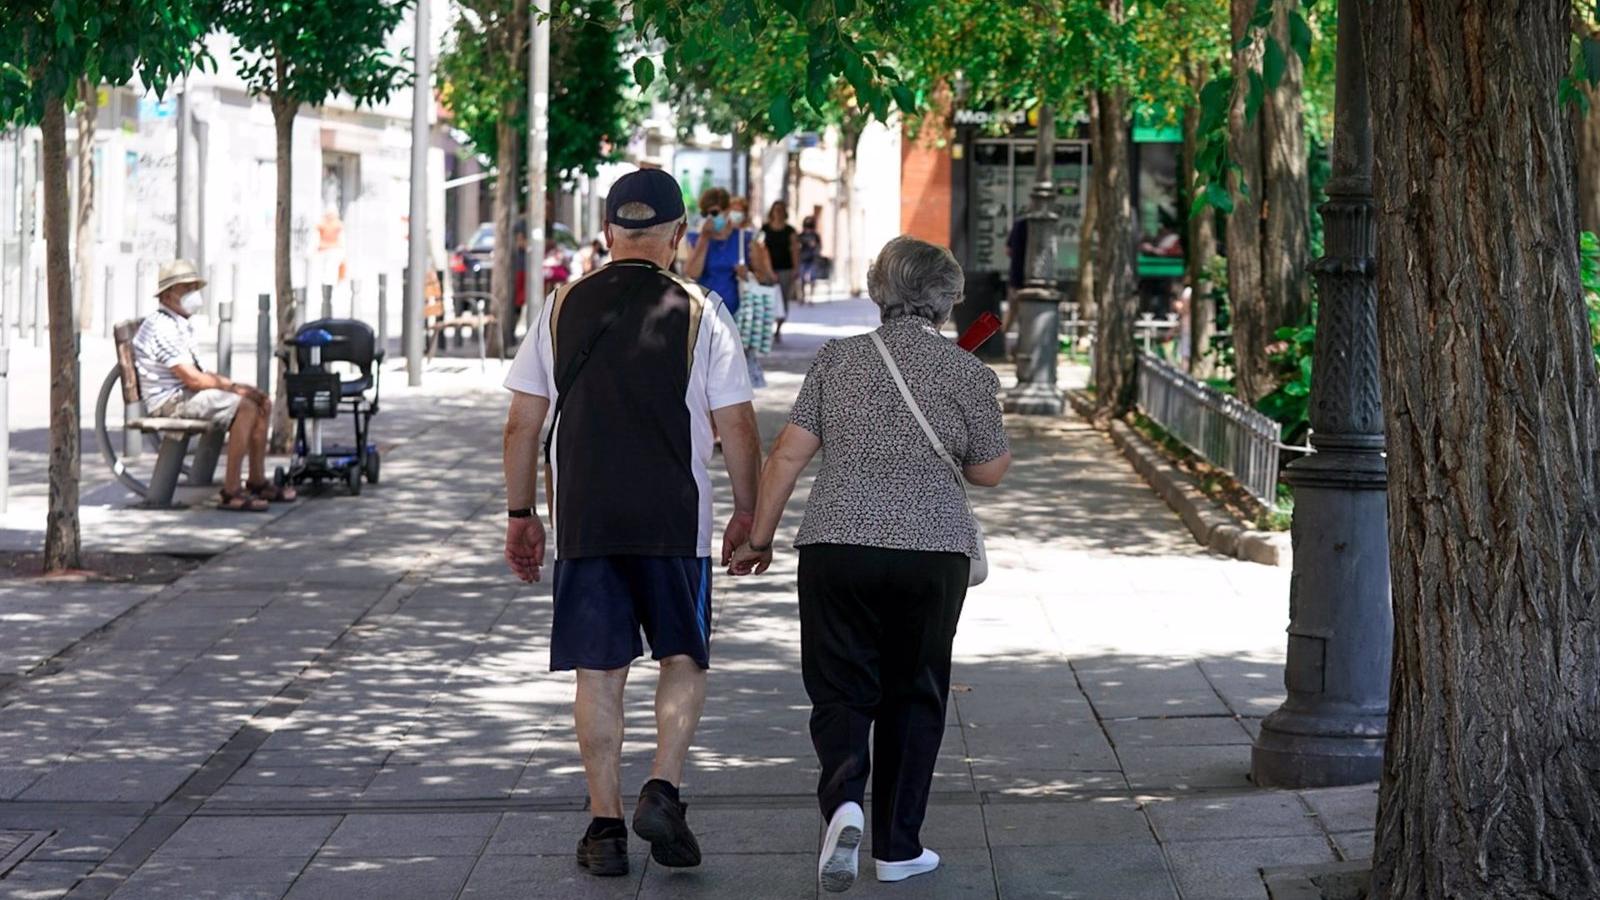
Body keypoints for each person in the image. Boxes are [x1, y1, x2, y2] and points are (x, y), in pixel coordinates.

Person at [502, 168, 763, 879]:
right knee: (683, 655)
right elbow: (736, 425)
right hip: (674, 518)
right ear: (679, 236)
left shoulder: (560, 307)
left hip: (586, 518)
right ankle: (664, 787)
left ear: (609, 233)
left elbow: (522, 426)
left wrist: (522, 514)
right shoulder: (702, 309)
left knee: (600, 670)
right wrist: (750, 514)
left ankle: (606, 826)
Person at [731, 235, 1011, 892]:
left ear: (877, 291)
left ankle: (845, 803)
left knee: (838, 688)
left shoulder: (837, 360)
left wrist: (759, 537)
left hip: (836, 544)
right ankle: (898, 847)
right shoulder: (967, 372)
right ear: (945, 299)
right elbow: (989, 471)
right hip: (931, 553)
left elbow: (787, 458)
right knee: (915, 692)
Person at [132, 260, 296, 512]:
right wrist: (236, 389)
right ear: (167, 295)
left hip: (184, 394)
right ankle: (231, 490)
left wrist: (235, 386)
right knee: (245, 407)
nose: (193, 294)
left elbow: (198, 374)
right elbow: (192, 379)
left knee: (261, 401)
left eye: (194, 287)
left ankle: (256, 479)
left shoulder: (179, 324)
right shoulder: (162, 326)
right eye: (186, 288)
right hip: (171, 402)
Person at [686, 192, 774, 388]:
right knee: (706, 375)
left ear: (726, 210)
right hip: (705, 314)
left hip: (737, 315)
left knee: (731, 376)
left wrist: (746, 274)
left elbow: (765, 276)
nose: (710, 217)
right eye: (705, 213)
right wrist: (704, 238)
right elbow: (692, 272)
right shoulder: (696, 238)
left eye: (715, 212)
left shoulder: (745, 238)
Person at [762, 201, 801, 343]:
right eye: (775, 210)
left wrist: (796, 269)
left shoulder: (790, 231)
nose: (777, 212)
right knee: (767, 299)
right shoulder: (765, 229)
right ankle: (767, 328)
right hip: (767, 269)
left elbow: (795, 250)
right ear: (771, 212)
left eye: (780, 210)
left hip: (786, 269)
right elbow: (760, 248)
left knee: (783, 299)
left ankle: (778, 328)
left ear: (784, 212)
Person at [798, 216, 823, 301]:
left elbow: (819, 247)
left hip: (812, 259)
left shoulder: (815, 236)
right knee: (802, 278)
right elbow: (796, 247)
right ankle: (803, 296)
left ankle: (811, 296)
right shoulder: (801, 235)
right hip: (802, 259)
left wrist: (815, 248)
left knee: (812, 278)